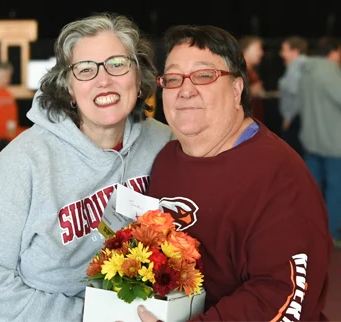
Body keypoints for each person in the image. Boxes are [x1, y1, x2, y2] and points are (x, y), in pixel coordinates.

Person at [0, 13, 172, 321]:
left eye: (117, 64)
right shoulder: (22, 164)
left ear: (139, 74)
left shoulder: (164, 142)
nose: (103, 80)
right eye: (85, 69)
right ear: (67, 86)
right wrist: (87, 317)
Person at [137, 25, 332, 321]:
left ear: (237, 88)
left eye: (204, 76)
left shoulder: (278, 175)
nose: (185, 90)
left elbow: (283, 298)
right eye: (173, 78)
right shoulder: (165, 160)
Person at [298, 37, 341, 247]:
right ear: (335, 51)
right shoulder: (330, 71)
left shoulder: (307, 71)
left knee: (311, 190)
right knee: (336, 188)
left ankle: (309, 231)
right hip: (333, 141)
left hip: (311, 139)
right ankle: (330, 234)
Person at [278, 35, 308, 157]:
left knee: (292, 155)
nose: (281, 53)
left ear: (295, 52)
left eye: (284, 50)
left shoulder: (296, 67)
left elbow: (297, 94)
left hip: (295, 119)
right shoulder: (301, 65)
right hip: (298, 118)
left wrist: (288, 118)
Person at [239, 35, 265, 122]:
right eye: (258, 49)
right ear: (246, 50)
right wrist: (250, 91)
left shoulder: (251, 70)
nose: (261, 53)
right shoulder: (239, 71)